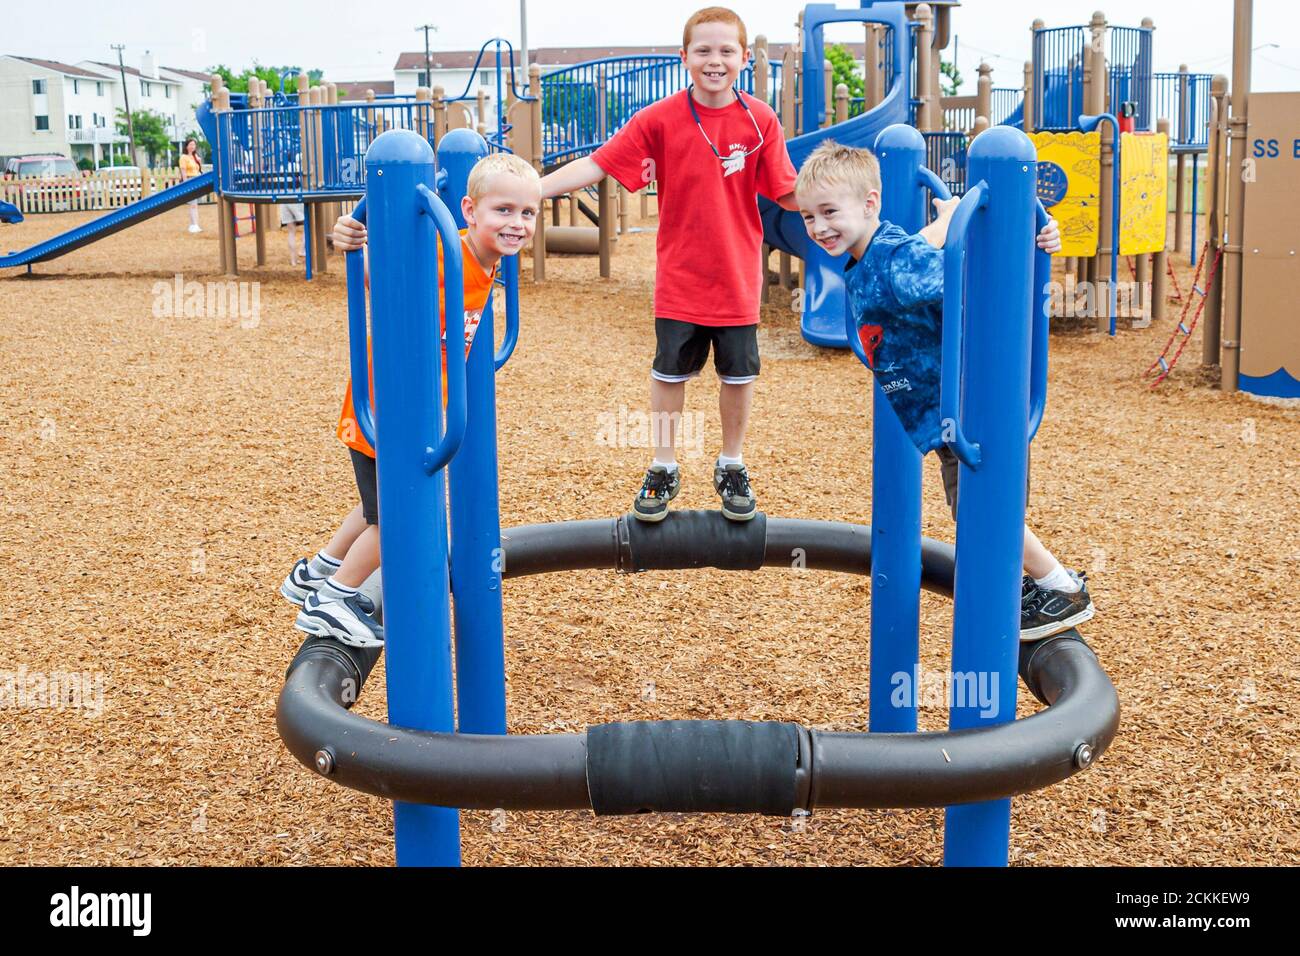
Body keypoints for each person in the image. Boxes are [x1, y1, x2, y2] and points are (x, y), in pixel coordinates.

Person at [794, 140, 1094, 639]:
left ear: (869, 204)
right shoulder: (882, 248)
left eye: (829, 212)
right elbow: (920, 249)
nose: (818, 226)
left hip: (967, 408)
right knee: (975, 510)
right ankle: (1022, 584)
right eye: (808, 217)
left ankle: (1059, 587)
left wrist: (1028, 238)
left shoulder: (891, 256)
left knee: (982, 509)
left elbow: (965, 275)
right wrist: (948, 222)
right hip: (941, 411)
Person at [538, 6, 799, 523]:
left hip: (737, 275)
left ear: (744, 59)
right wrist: (534, 190)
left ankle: (732, 462)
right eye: (703, 50)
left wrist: (840, 205)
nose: (715, 60)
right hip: (681, 275)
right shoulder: (660, 118)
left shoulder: (759, 119)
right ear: (684, 58)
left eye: (726, 50)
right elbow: (600, 162)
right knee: (669, 374)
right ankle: (663, 464)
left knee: (739, 377)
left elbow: (787, 191)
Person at [281, 152, 541, 647]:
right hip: (391, 410)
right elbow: (383, 278)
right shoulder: (447, 250)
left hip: (405, 408)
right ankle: (334, 599)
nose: (517, 224)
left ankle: (314, 573)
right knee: (395, 516)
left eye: (527, 213)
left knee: (373, 506)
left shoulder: (487, 262)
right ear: (468, 210)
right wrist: (352, 241)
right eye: (503, 210)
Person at [179, 138, 203, 234]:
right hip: (189, 179)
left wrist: (199, 161)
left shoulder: (195, 156)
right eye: (191, 144)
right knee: (192, 204)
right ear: (187, 146)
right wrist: (185, 183)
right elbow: (183, 171)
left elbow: (198, 169)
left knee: (195, 205)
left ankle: (194, 224)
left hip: (196, 179)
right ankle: (193, 225)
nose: (193, 146)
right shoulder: (183, 157)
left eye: (194, 145)